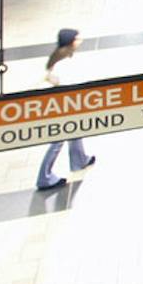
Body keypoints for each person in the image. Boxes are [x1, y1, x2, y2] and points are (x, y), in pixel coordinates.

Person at [35, 28, 97, 190]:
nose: (80, 40)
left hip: (63, 103)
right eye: (77, 38)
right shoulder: (64, 62)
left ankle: (80, 160)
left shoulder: (58, 57)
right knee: (57, 141)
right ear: (71, 42)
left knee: (74, 130)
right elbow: (69, 84)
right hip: (63, 105)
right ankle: (44, 178)